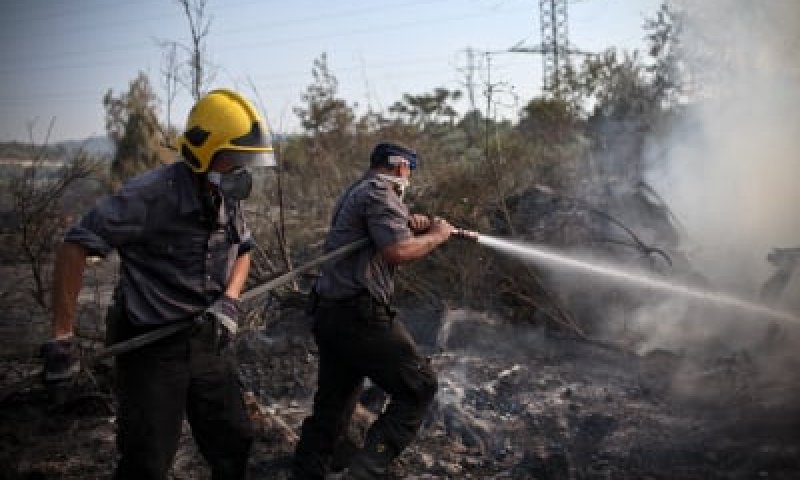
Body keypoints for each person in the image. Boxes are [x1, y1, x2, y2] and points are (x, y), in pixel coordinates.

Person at [39, 89, 276, 479]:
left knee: (234, 441)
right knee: (147, 462)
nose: (243, 169)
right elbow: (74, 246)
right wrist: (61, 337)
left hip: (207, 334)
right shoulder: (148, 197)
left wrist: (230, 300)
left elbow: (243, 249)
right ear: (204, 153)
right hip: (152, 347)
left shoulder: (225, 194)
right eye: (235, 158)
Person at [292, 142, 453, 479]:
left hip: (331, 313)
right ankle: (365, 471)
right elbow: (398, 250)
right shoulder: (380, 192)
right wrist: (437, 235)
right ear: (400, 167)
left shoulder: (359, 191)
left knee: (334, 406)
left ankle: (307, 472)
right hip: (359, 315)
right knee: (419, 386)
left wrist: (409, 223)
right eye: (410, 170)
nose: (409, 177)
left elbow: (382, 236)